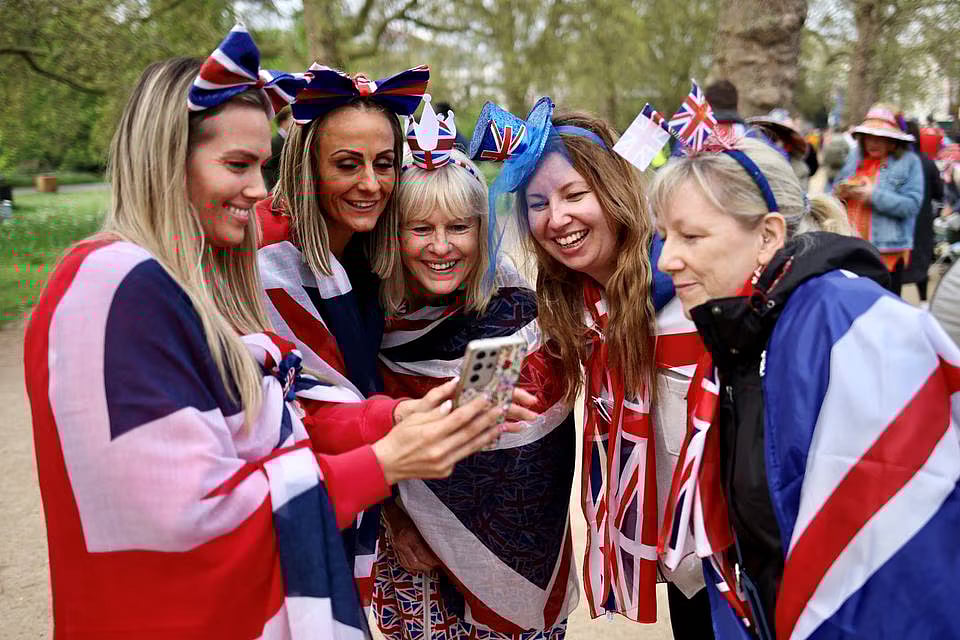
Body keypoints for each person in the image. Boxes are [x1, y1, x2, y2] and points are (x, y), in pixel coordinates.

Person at [23, 28, 506, 639]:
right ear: (166, 158)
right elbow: (194, 519)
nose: (258, 191)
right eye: (237, 165)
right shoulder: (116, 285)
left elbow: (276, 424)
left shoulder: (178, 282)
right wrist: (381, 465)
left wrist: (391, 421)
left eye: (261, 165)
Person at [653, 135, 960, 639]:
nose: (665, 261)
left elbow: (897, 555)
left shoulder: (851, 328)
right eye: (664, 236)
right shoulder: (741, 327)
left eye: (691, 237)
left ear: (769, 236)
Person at [255, 64, 537, 605]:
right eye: (346, 164)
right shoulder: (272, 260)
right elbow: (306, 408)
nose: (369, 183)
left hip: (363, 490)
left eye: (384, 164)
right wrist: (397, 506)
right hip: (301, 507)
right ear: (306, 164)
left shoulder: (370, 250)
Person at [470, 99, 713, 638]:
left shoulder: (695, 290)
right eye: (537, 203)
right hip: (675, 551)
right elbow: (486, 393)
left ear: (614, 191)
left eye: (575, 195)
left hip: (731, 539)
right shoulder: (568, 307)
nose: (557, 219)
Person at [371, 105, 577, 638]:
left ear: (481, 230)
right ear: (394, 234)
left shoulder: (511, 306)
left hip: (513, 538)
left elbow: (515, 437)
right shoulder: (370, 317)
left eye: (458, 228)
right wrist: (396, 519)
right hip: (416, 546)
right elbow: (353, 425)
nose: (441, 247)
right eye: (421, 229)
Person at [833, 103, 924, 295]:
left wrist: (872, 196)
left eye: (880, 138)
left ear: (892, 141)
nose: (873, 143)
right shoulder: (854, 159)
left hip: (887, 253)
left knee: (885, 311)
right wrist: (839, 193)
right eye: (869, 137)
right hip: (852, 250)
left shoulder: (909, 162)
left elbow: (912, 205)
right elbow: (834, 190)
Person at [903, 119, 944, 304]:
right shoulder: (927, 163)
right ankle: (924, 303)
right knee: (920, 262)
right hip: (922, 221)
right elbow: (939, 193)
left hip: (899, 222)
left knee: (898, 266)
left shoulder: (894, 164)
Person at [747, 109, 812, 190]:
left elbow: (798, 198)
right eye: (768, 134)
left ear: (789, 141)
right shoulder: (749, 159)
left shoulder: (799, 169)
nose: (772, 141)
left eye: (779, 135)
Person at [262, 105, 292, 190]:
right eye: (291, 119)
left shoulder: (286, 140)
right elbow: (268, 168)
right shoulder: (275, 141)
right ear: (284, 121)